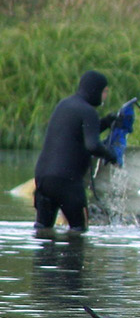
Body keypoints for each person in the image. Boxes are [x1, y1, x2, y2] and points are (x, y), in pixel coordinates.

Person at [32, 70, 115, 235]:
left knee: (43, 231)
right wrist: (111, 156)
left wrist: (106, 122)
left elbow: (79, 132)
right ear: (95, 90)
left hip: (43, 178)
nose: (105, 96)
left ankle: (43, 261)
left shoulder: (65, 105)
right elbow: (92, 145)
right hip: (67, 182)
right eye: (104, 91)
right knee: (78, 232)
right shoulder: (88, 111)